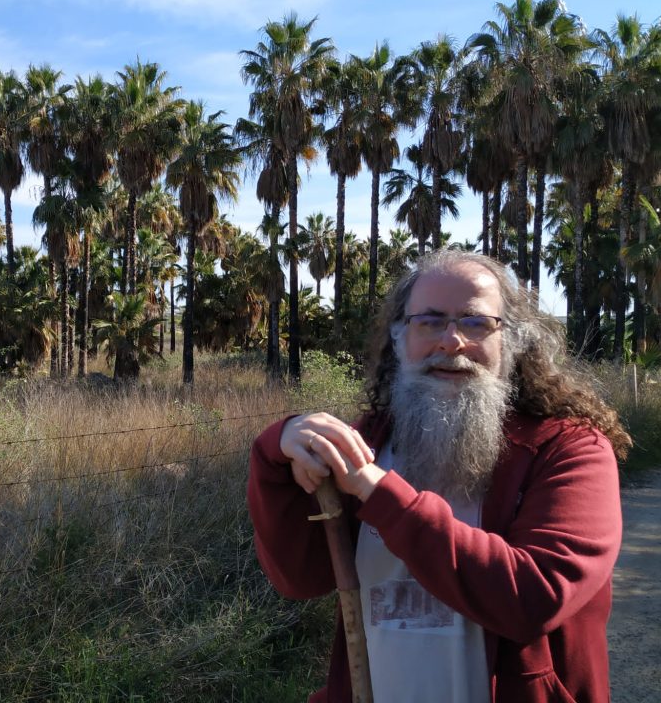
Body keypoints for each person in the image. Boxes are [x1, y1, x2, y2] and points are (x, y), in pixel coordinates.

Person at [248, 249, 630, 703]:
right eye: (429, 322)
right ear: (399, 337)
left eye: (476, 323)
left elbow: (535, 596)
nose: (451, 341)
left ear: (513, 341)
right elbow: (300, 579)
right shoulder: (368, 442)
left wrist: (379, 492)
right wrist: (278, 449)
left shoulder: (570, 450)